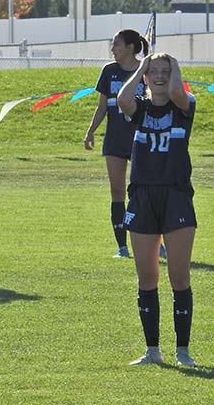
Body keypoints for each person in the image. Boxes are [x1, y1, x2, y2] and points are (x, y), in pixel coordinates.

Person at [117, 53, 197, 367]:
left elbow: (177, 92)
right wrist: (141, 67)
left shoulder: (184, 104)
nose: (161, 77)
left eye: (167, 71)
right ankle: (152, 351)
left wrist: (173, 65)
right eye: (156, 72)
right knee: (147, 277)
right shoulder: (140, 108)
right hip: (141, 197)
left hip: (176, 196)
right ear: (147, 76)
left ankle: (183, 351)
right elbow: (122, 99)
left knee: (179, 276)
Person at [84, 29, 159, 259]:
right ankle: (122, 246)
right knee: (117, 191)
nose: (113, 49)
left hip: (142, 139)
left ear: (129, 47)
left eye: (116, 44)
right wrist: (90, 132)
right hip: (115, 139)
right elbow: (102, 106)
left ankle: (157, 242)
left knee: (147, 190)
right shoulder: (109, 71)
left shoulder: (145, 70)